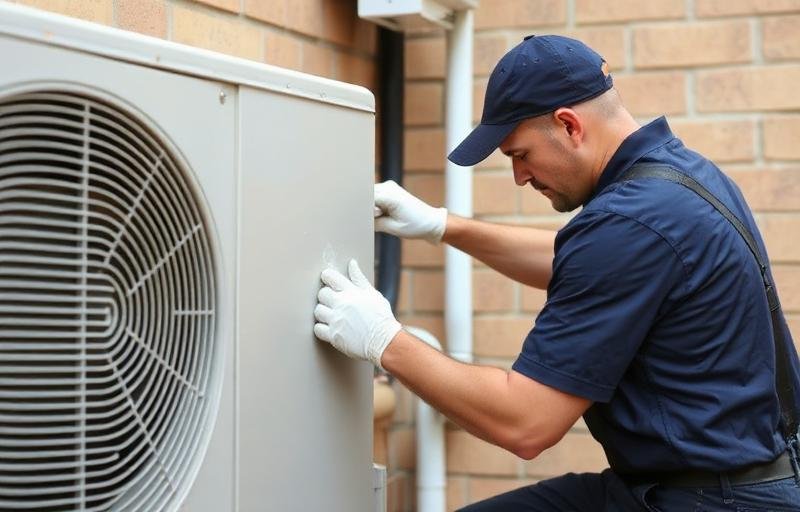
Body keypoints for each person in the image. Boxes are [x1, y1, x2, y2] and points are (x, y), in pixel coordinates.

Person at [313, 35, 800, 510]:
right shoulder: (682, 176)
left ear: (569, 125)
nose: (519, 177)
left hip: (711, 499)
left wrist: (384, 340)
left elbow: (525, 423)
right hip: (724, 480)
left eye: (520, 155)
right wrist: (442, 226)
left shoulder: (628, 224)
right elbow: (586, 262)